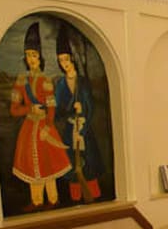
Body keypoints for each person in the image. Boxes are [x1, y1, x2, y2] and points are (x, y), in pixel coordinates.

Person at [10, 22, 71, 211]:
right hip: (29, 128)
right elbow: (14, 110)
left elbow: (52, 106)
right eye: (28, 55)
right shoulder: (20, 81)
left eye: (34, 55)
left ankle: (53, 200)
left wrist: (47, 126)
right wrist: (29, 109)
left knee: (48, 163)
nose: (31, 59)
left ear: (40, 57)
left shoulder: (46, 81)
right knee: (30, 165)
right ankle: (36, 201)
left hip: (45, 126)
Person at [53, 23, 103, 202]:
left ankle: (94, 197)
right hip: (69, 130)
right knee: (73, 168)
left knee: (89, 164)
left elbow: (91, 105)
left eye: (66, 59)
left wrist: (83, 116)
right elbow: (58, 110)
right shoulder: (60, 84)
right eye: (61, 61)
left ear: (72, 59)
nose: (64, 64)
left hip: (84, 129)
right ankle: (75, 200)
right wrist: (69, 109)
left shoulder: (82, 82)